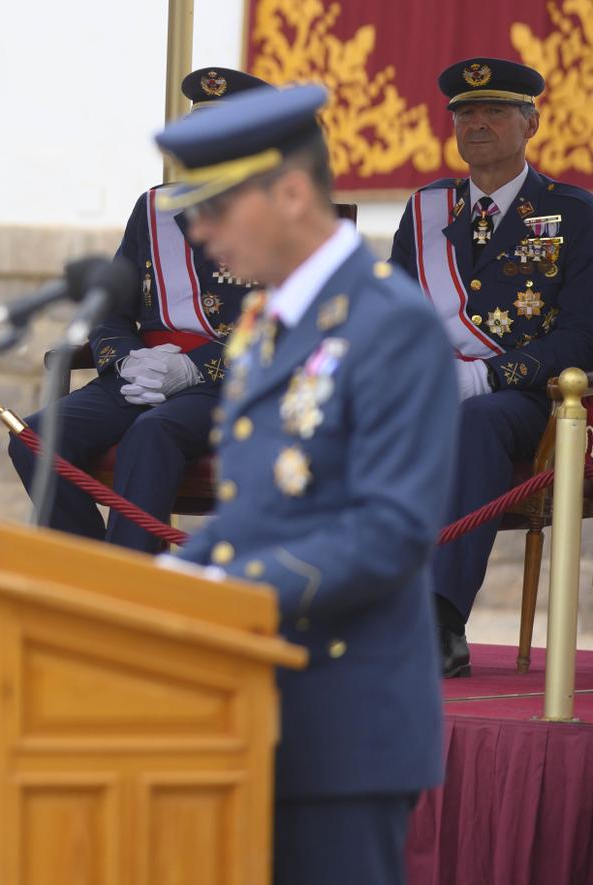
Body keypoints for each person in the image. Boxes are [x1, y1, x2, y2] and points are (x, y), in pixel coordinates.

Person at [155, 83, 453, 885]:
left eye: (215, 208)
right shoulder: (263, 325)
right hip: (252, 706)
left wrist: (223, 586)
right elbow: (255, 506)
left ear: (290, 191)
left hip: (346, 722)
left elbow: (391, 528)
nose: (199, 232)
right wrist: (167, 576)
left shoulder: (392, 324)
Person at [385, 57, 593, 678]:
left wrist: (488, 375)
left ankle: (439, 619)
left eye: (495, 111)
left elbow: (583, 336)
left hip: (532, 397)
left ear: (530, 122)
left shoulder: (574, 212)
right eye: (465, 113)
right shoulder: (427, 209)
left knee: (476, 419)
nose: (477, 123)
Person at [7, 66, 270, 551]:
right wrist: (126, 359)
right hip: (142, 371)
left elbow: (282, 323)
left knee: (152, 434)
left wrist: (191, 369)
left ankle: (132, 595)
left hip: (232, 383)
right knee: (35, 438)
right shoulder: (154, 208)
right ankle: (94, 575)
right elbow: (110, 307)